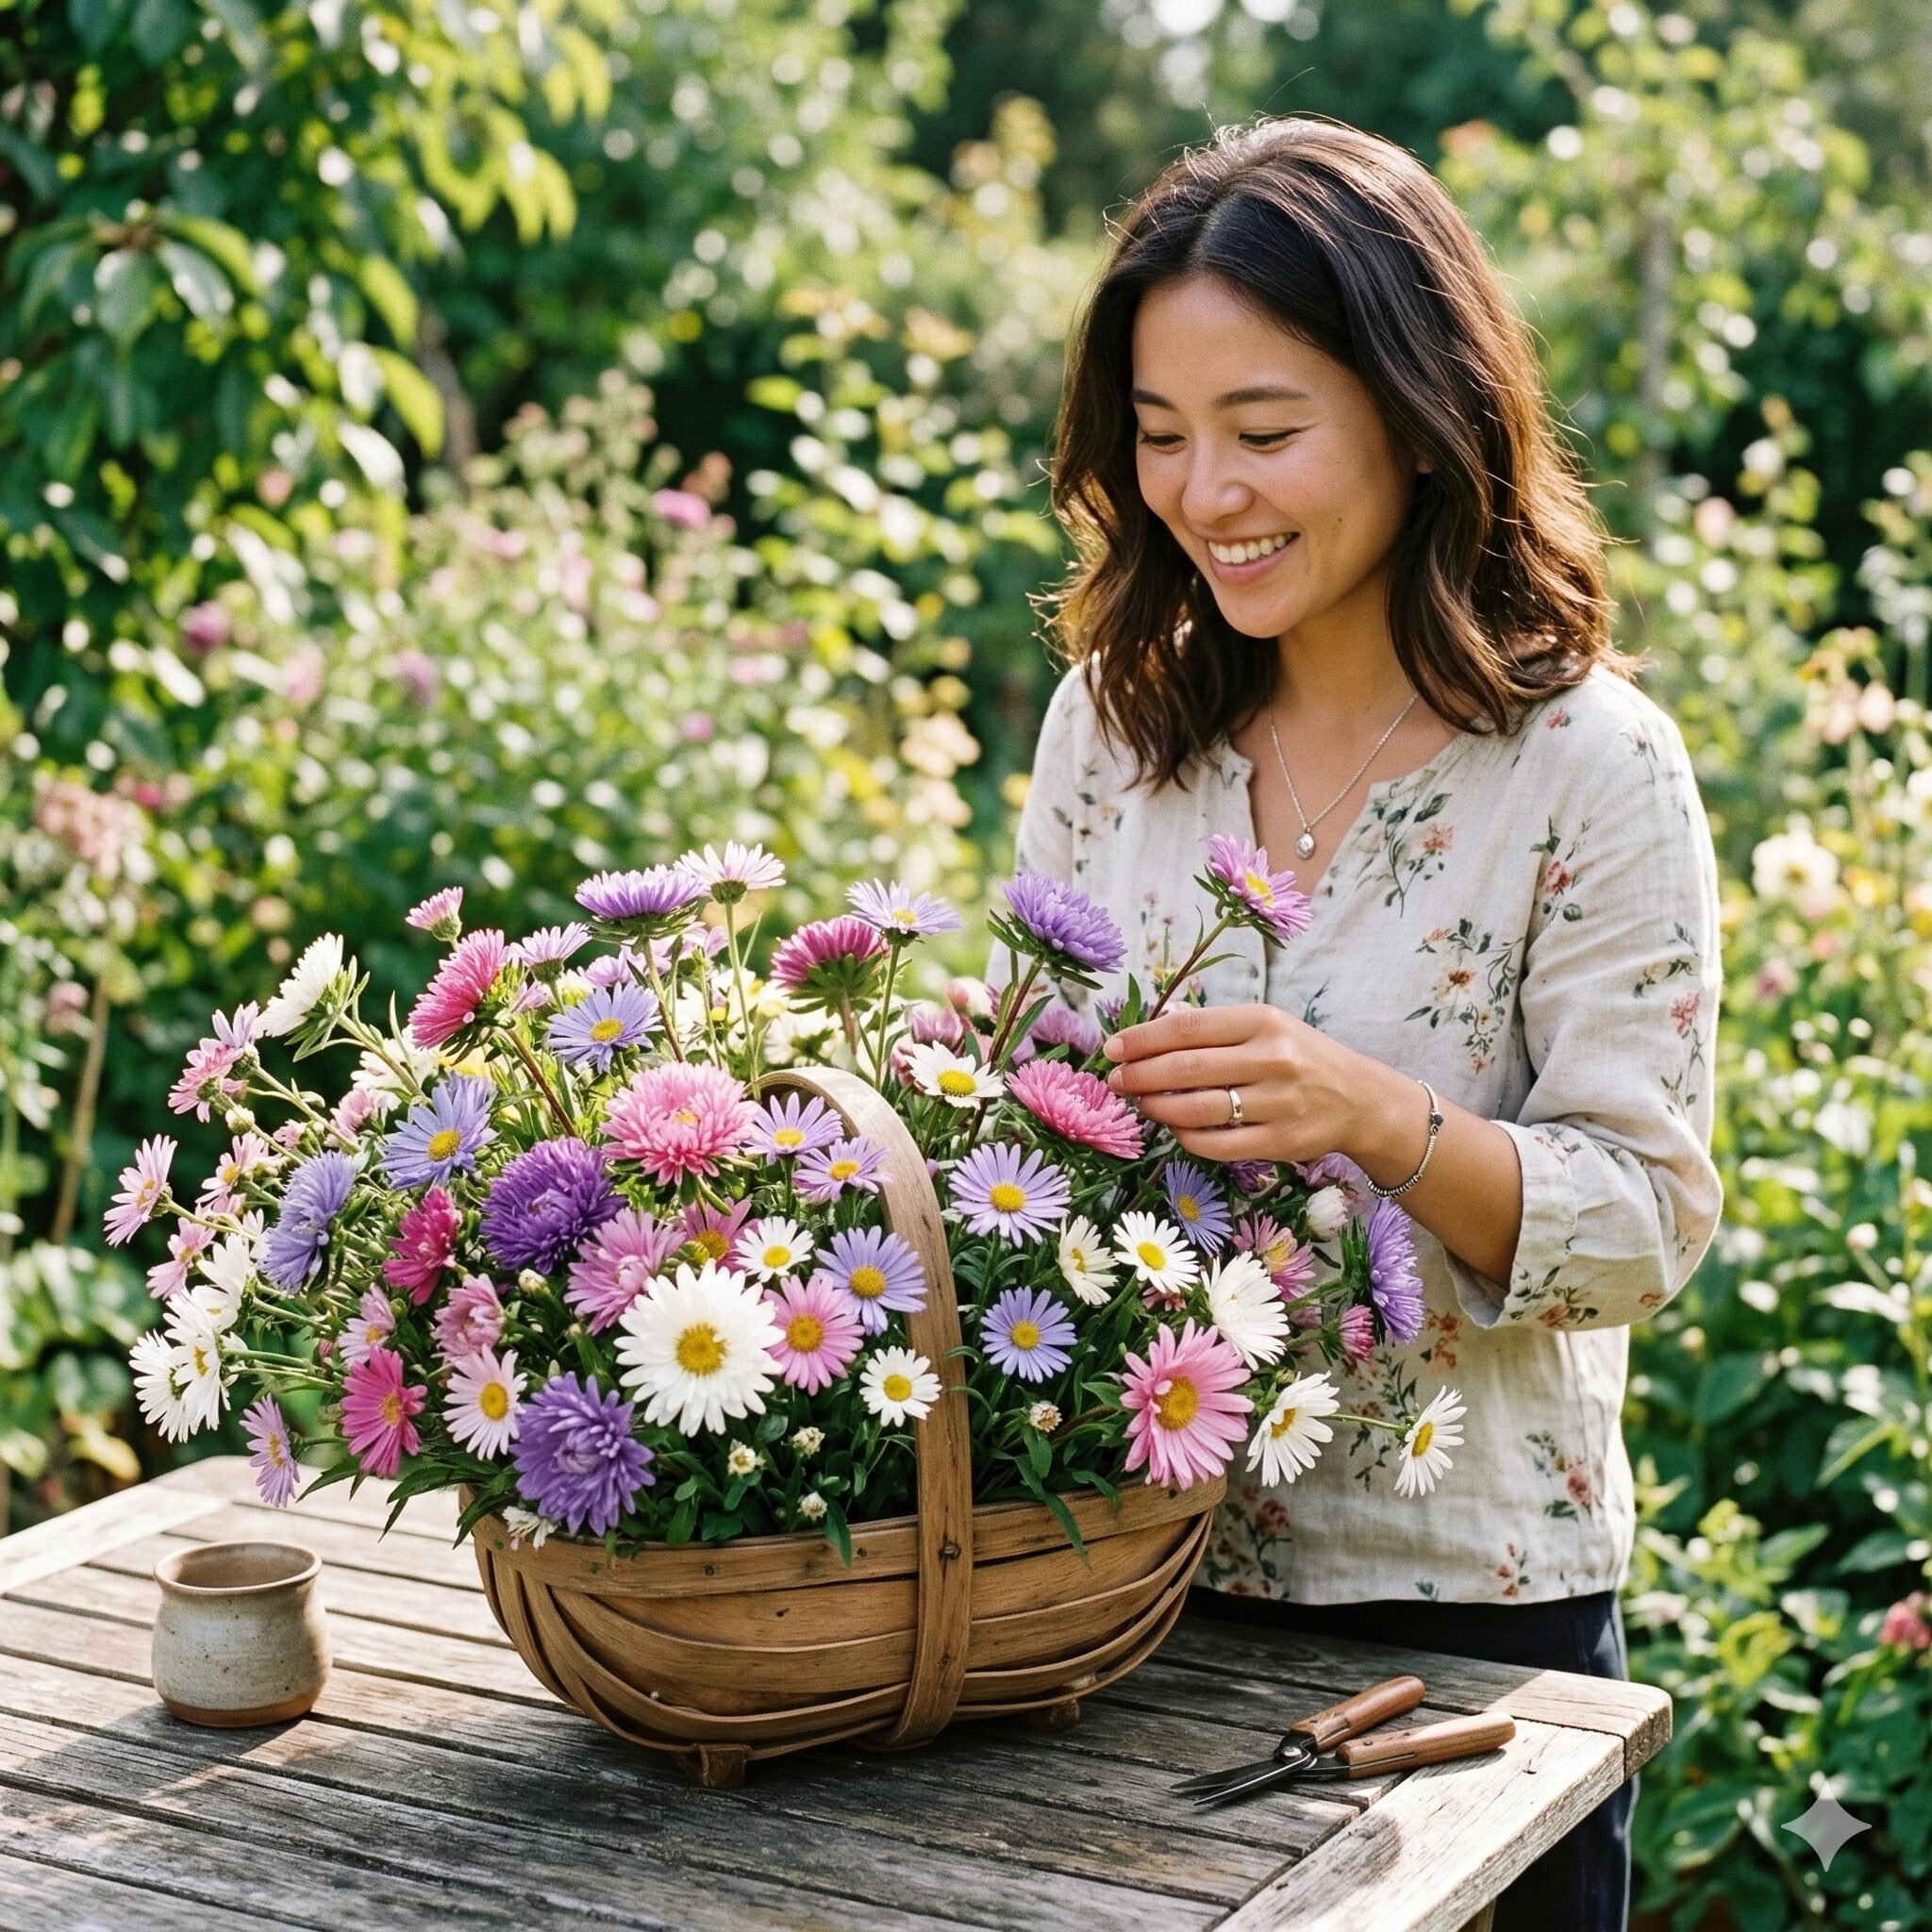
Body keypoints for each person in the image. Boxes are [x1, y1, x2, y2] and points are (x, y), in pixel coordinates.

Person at [991, 116, 1722, 1932]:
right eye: (1159, 438)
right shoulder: (1116, 722)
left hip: (1463, 1628)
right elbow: (1024, 1108)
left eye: (1262, 432)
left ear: (1418, 413)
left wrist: (1377, 1120)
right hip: (1119, 1585)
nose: (1201, 493)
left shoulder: (1586, 765)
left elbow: (1645, 1224)